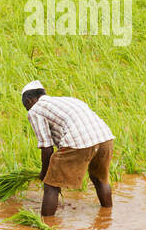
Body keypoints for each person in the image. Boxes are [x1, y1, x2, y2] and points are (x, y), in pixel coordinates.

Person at [21, 81, 114, 216]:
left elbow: (47, 147)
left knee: (51, 184)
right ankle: (107, 217)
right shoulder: (68, 100)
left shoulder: (36, 110)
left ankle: (46, 227)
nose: (28, 110)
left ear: (29, 101)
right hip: (105, 138)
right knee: (100, 179)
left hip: (80, 140)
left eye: (26, 107)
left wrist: (44, 173)